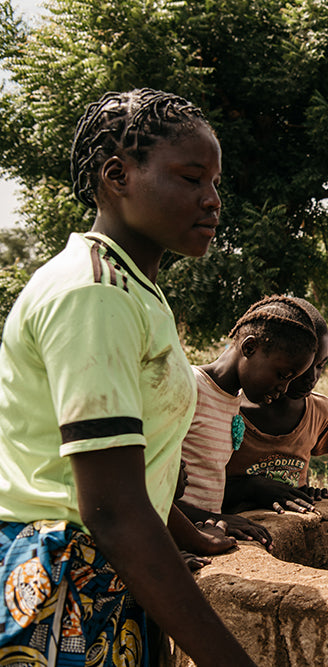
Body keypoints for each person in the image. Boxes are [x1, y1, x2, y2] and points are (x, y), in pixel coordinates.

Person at [0, 89, 255, 665]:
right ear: (118, 175)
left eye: (215, 183)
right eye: (191, 178)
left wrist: (186, 534)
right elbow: (111, 507)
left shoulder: (133, 290)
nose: (212, 201)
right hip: (62, 588)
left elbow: (130, 460)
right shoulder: (95, 294)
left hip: (107, 577)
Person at [175, 295, 319, 533]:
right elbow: (150, 488)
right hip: (176, 534)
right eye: (282, 375)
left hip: (200, 531)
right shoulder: (190, 387)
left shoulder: (231, 400)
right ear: (250, 347)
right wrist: (211, 518)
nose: (284, 389)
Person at [224, 297, 328, 514]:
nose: (312, 377)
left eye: (321, 366)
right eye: (303, 367)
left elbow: (299, 471)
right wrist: (251, 488)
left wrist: (302, 492)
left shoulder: (320, 412)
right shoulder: (228, 409)